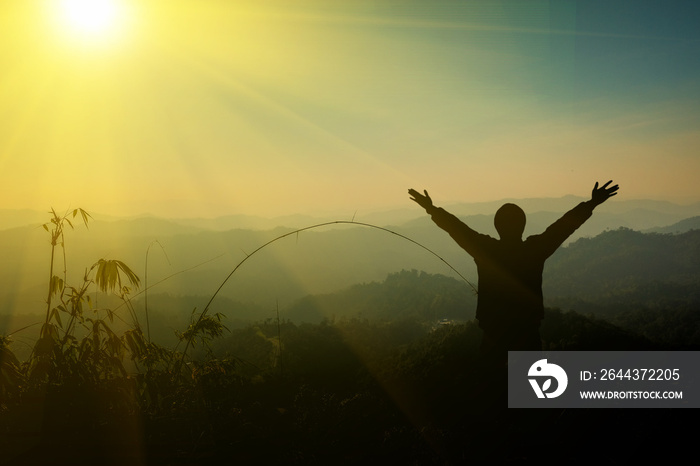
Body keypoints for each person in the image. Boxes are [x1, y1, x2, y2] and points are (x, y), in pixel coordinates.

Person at [408, 181, 619, 361]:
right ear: (523, 225)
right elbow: (563, 227)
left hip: (493, 335)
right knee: (528, 394)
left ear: (496, 226)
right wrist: (591, 203)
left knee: (493, 393)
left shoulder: (485, 250)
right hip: (527, 334)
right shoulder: (534, 250)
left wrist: (431, 208)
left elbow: (456, 228)